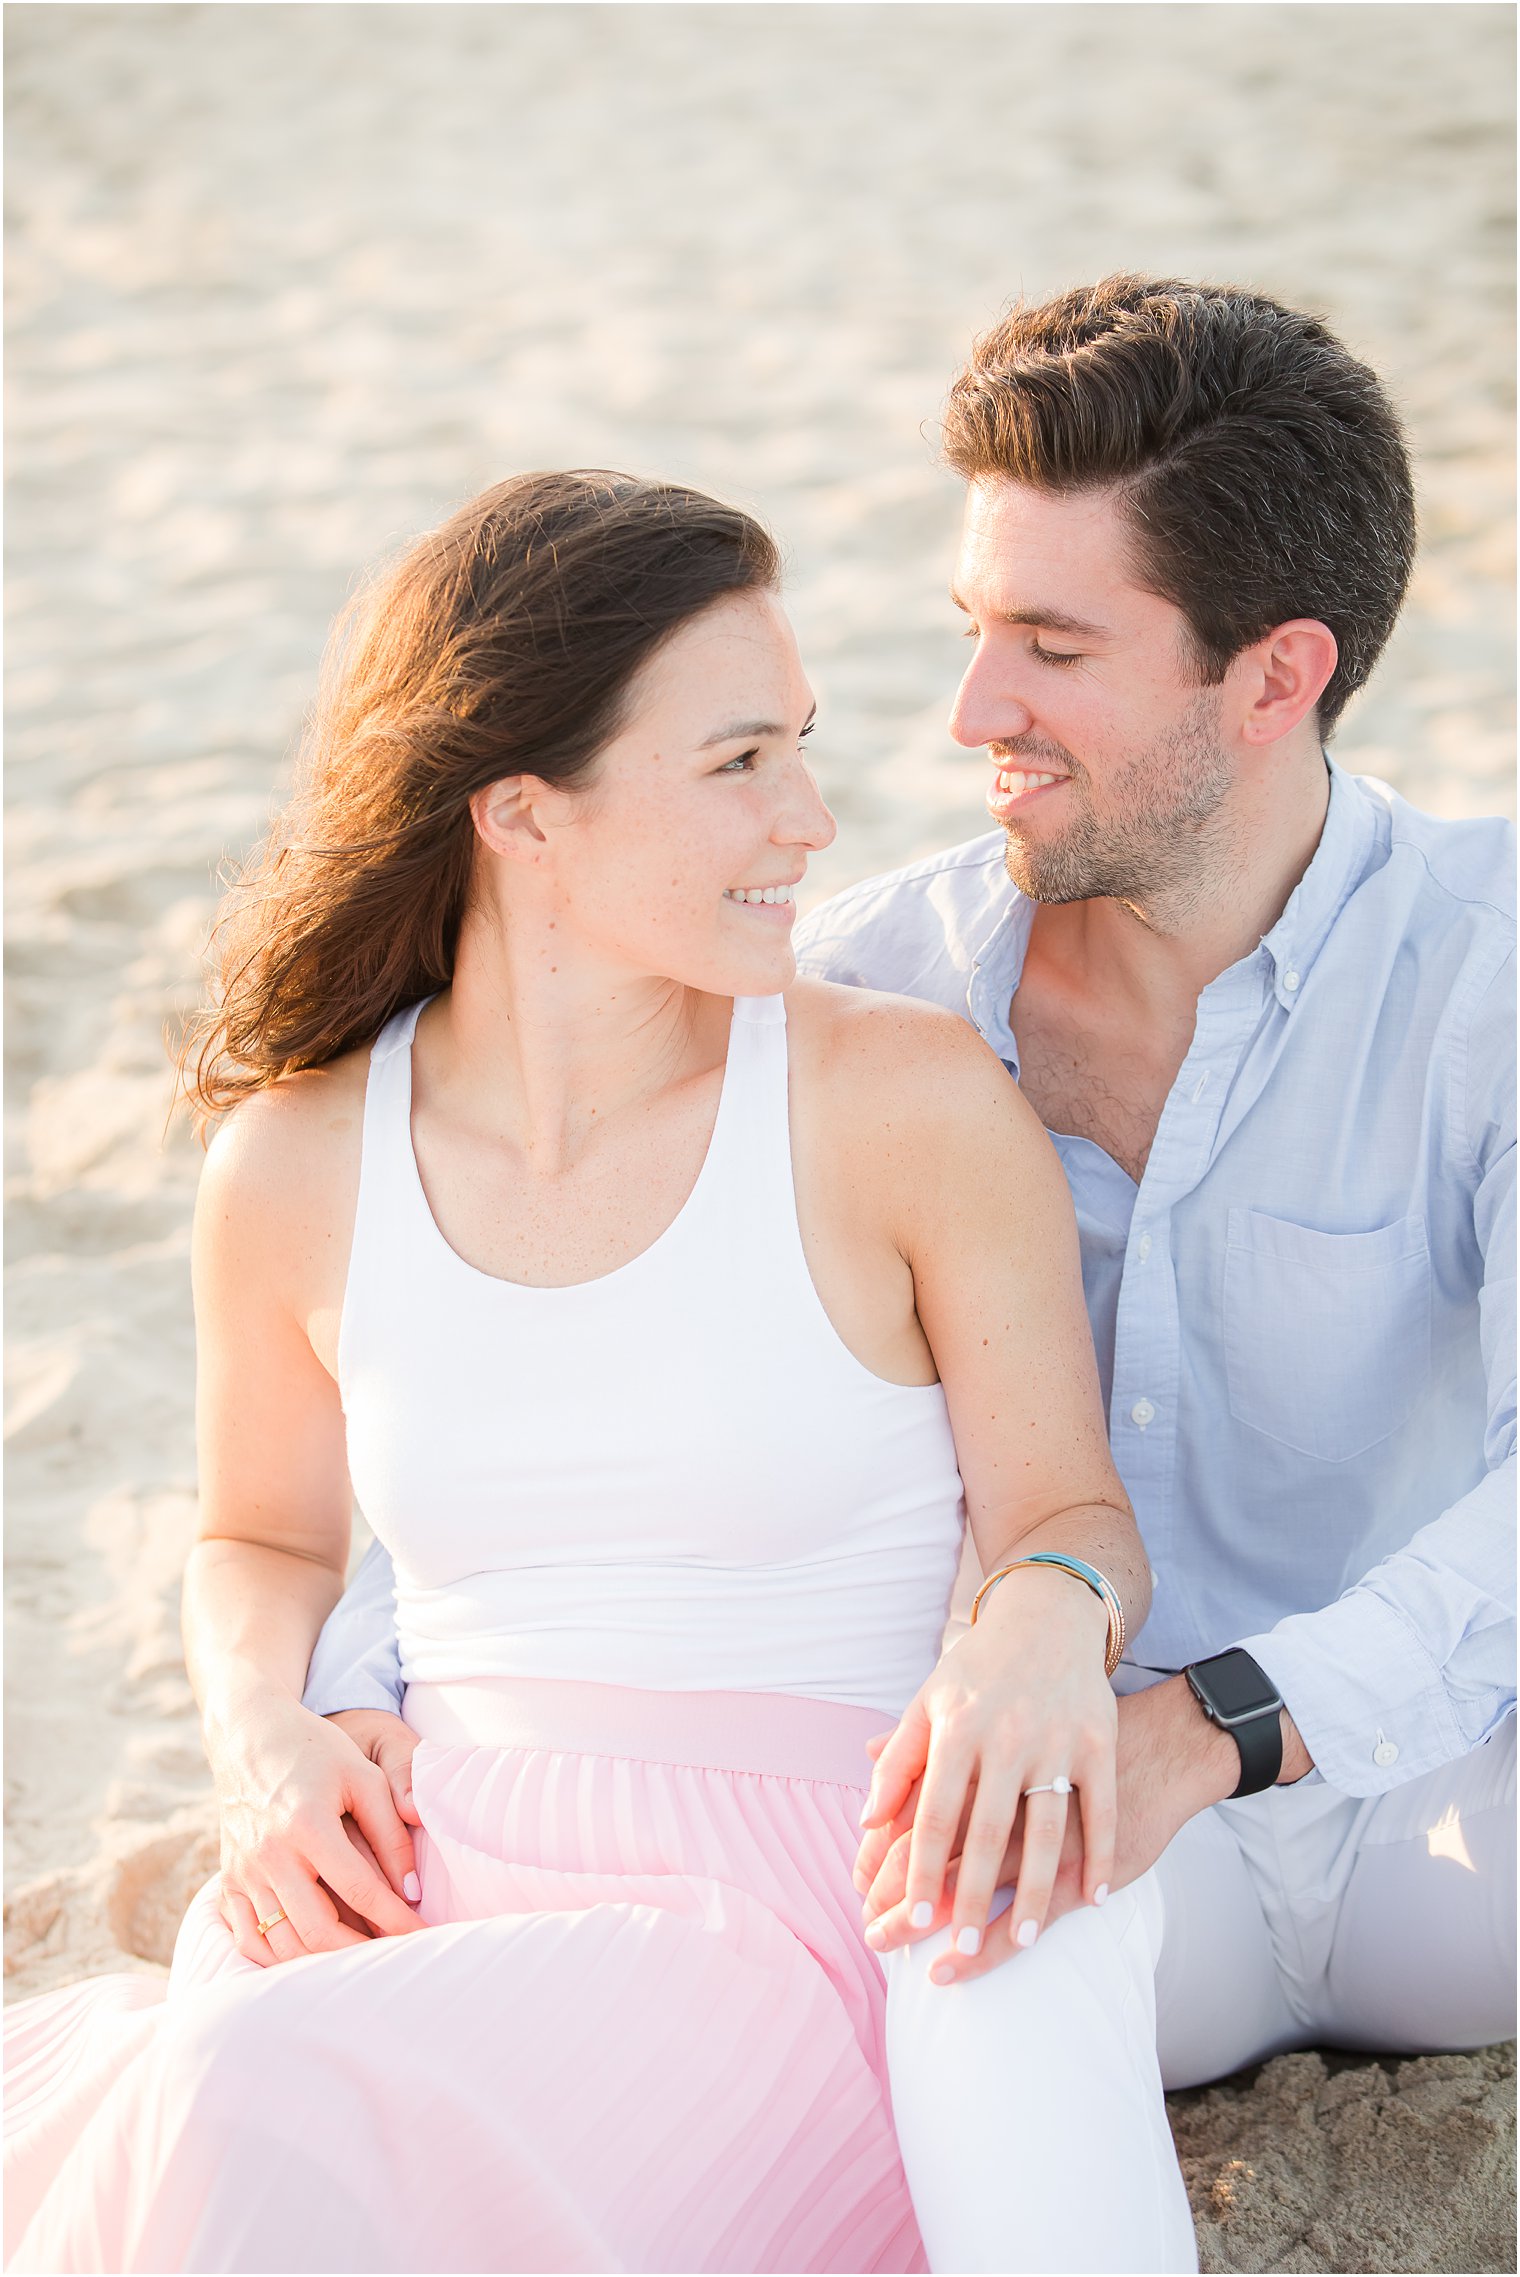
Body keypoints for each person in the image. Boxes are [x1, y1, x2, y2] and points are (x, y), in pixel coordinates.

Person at [293, 278, 1517, 2269]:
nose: (968, 718)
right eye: (971, 631)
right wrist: (343, 1690)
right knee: (962, 1952)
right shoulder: (848, 990)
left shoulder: (1491, 963)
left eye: (1051, 645)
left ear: (1273, 676)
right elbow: (544, 1358)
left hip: (1456, 1803)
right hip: (1072, 1847)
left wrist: (1221, 1710)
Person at [2, 468, 1200, 2275]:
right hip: (423, 1863)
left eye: (801, 746)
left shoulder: (896, 1100)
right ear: (520, 814)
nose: (810, 818)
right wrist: (263, 1740)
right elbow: (258, 1539)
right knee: (219, 2095)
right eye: (736, 763)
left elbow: (1068, 1512)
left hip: (780, 1910)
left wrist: (1046, 1615)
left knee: (250, 2094)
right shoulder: (297, 1159)